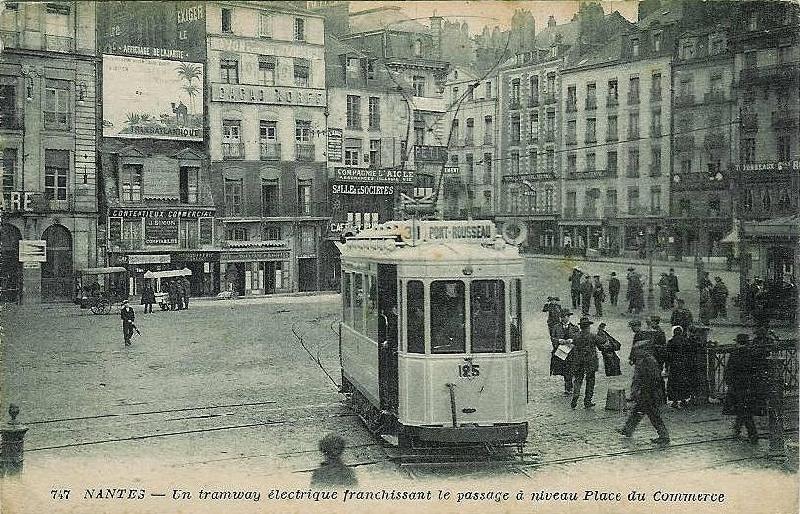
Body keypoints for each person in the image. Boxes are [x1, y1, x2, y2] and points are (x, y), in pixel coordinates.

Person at [616, 342, 670, 445]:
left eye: (637, 350)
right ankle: (627, 430)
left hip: (648, 392)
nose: (635, 352)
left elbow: (653, 377)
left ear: (644, 350)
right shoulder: (642, 360)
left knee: (653, 415)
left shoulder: (648, 360)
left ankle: (664, 435)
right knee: (637, 411)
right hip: (644, 392)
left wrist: (643, 390)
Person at [722, 334, 768, 444]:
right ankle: (737, 429)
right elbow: (758, 370)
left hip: (737, 388)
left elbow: (728, 371)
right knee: (744, 409)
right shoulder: (752, 354)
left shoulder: (735, 354)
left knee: (744, 411)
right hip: (750, 388)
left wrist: (729, 383)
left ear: (737, 343)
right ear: (747, 343)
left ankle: (753, 435)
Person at [570, 317, 604, 409]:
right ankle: (587, 401)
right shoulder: (592, 336)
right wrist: (600, 331)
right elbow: (603, 341)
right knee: (590, 381)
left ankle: (575, 396)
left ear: (581, 327)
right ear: (588, 327)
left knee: (578, 379)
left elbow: (573, 343)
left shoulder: (576, 336)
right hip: (590, 362)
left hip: (579, 361)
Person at [550, 311, 578, 395]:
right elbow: (552, 338)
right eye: (561, 317)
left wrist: (572, 340)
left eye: (565, 316)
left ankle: (570, 387)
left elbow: (578, 338)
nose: (563, 318)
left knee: (570, 369)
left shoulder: (574, 327)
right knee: (564, 370)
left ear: (568, 317)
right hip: (560, 352)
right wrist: (559, 341)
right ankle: (568, 386)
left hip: (571, 352)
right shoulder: (556, 327)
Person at [665, 326, 692, 409]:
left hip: (674, 365)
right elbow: (689, 354)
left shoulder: (671, 341)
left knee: (674, 383)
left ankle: (675, 401)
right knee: (684, 382)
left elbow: (668, 356)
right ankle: (684, 400)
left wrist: (666, 366)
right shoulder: (686, 341)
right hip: (684, 364)